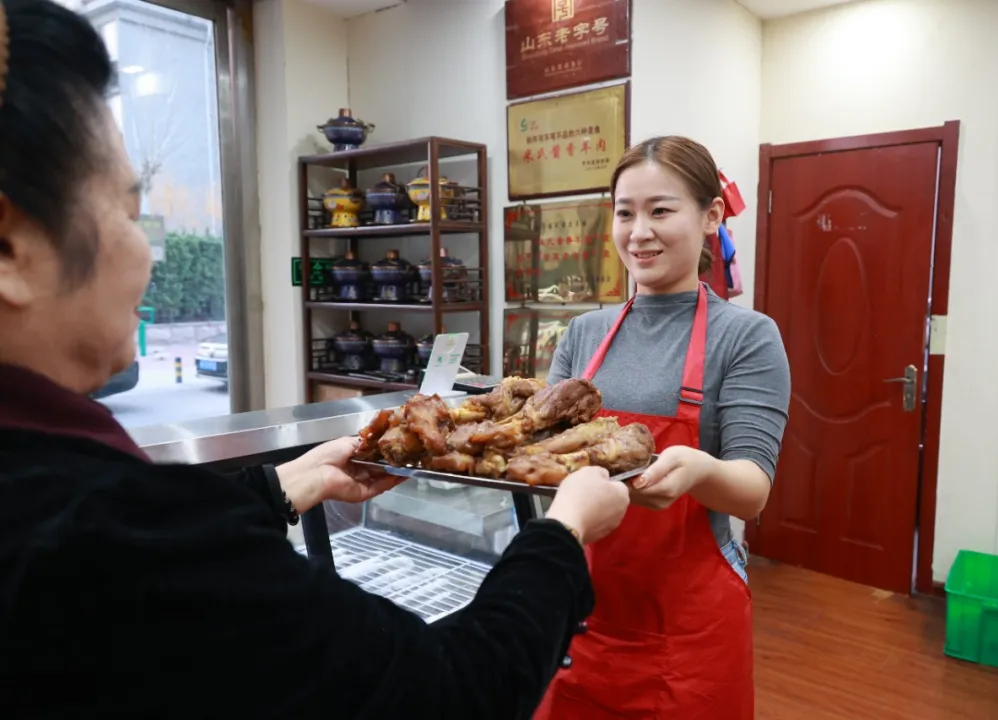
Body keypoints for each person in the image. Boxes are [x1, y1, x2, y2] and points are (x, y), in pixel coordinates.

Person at [0, 1, 630, 717]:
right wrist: (563, 527)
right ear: (9, 247)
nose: (146, 249)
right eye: (125, 208)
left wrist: (281, 486)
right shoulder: (101, 534)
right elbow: (453, 692)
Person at [533, 136, 792, 720]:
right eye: (625, 212)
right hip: (578, 608)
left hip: (689, 629)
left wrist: (698, 469)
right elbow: (544, 456)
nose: (638, 231)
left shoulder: (747, 336)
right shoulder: (584, 333)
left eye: (661, 210)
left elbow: (753, 490)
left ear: (711, 216)